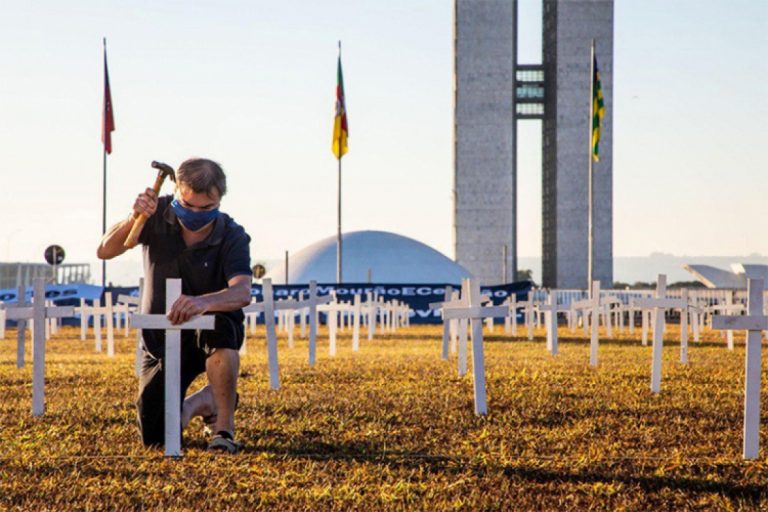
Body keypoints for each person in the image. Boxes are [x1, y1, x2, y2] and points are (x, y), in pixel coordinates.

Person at [97, 158, 252, 453]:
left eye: (205, 208)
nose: (195, 214)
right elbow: (105, 250)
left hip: (207, 331)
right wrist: (134, 217)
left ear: (220, 199)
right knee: (156, 437)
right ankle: (201, 401)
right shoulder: (155, 214)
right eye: (187, 205)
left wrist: (202, 302)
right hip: (159, 338)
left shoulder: (231, 234)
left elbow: (242, 292)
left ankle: (223, 429)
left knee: (220, 328)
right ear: (176, 190)